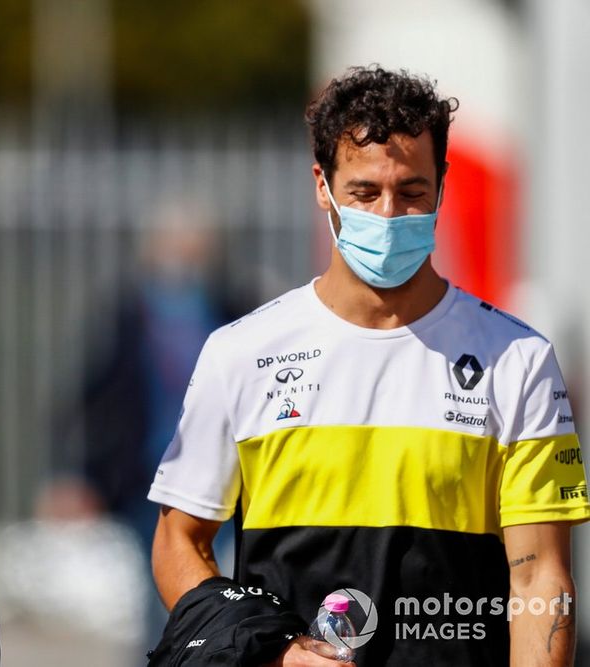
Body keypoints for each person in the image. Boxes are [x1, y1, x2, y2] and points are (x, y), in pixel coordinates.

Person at [148, 66, 590, 666]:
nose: (387, 216)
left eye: (411, 191)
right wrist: (274, 655)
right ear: (322, 186)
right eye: (363, 192)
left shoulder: (519, 359)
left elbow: (541, 583)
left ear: (442, 185)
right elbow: (179, 540)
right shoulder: (242, 352)